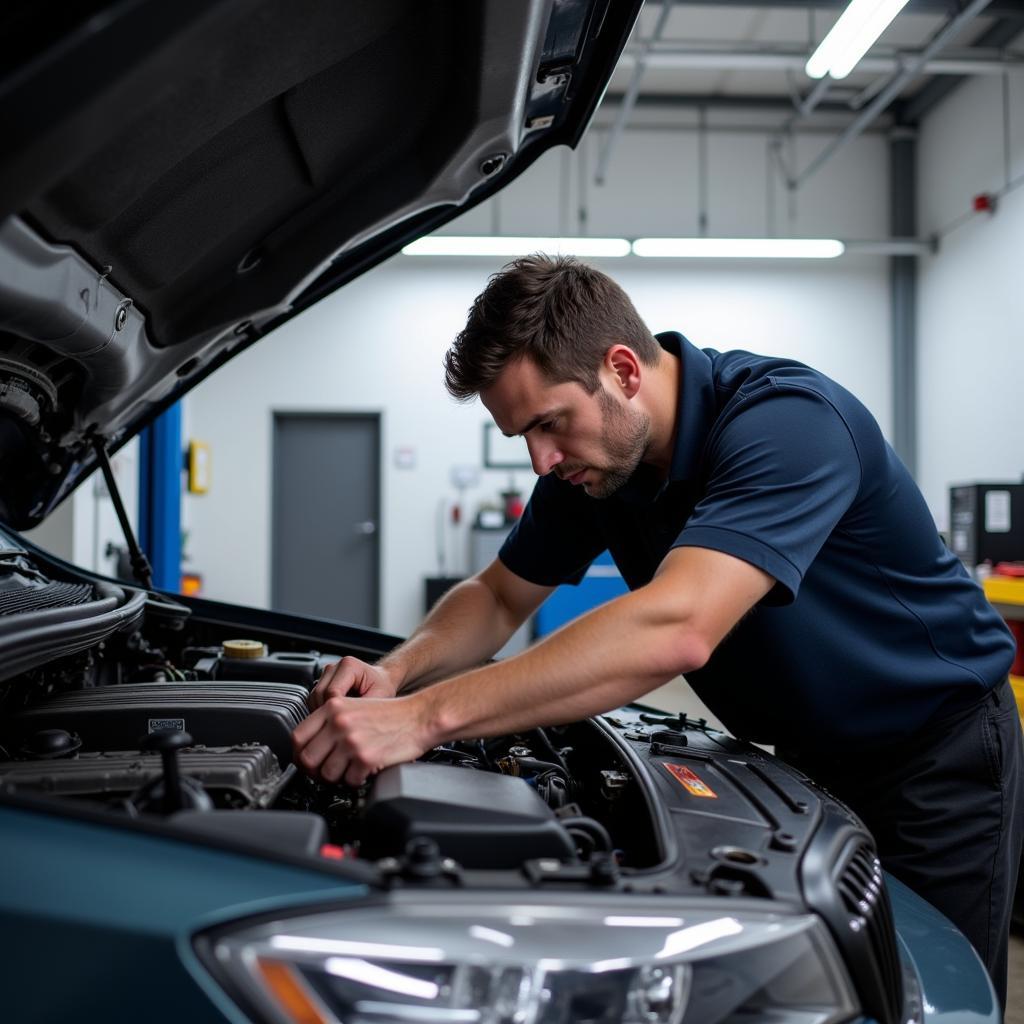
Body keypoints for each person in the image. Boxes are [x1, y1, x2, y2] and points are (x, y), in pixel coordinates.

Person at [291, 254, 1022, 1007]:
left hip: (938, 755)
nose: (541, 459)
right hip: (812, 756)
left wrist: (423, 719)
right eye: (523, 437)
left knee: (931, 998)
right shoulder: (597, 464)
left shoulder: (789, 423)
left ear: (622, 370)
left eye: (548, 425)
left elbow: (678, 627)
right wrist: (399, 673)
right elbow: (499, 594)